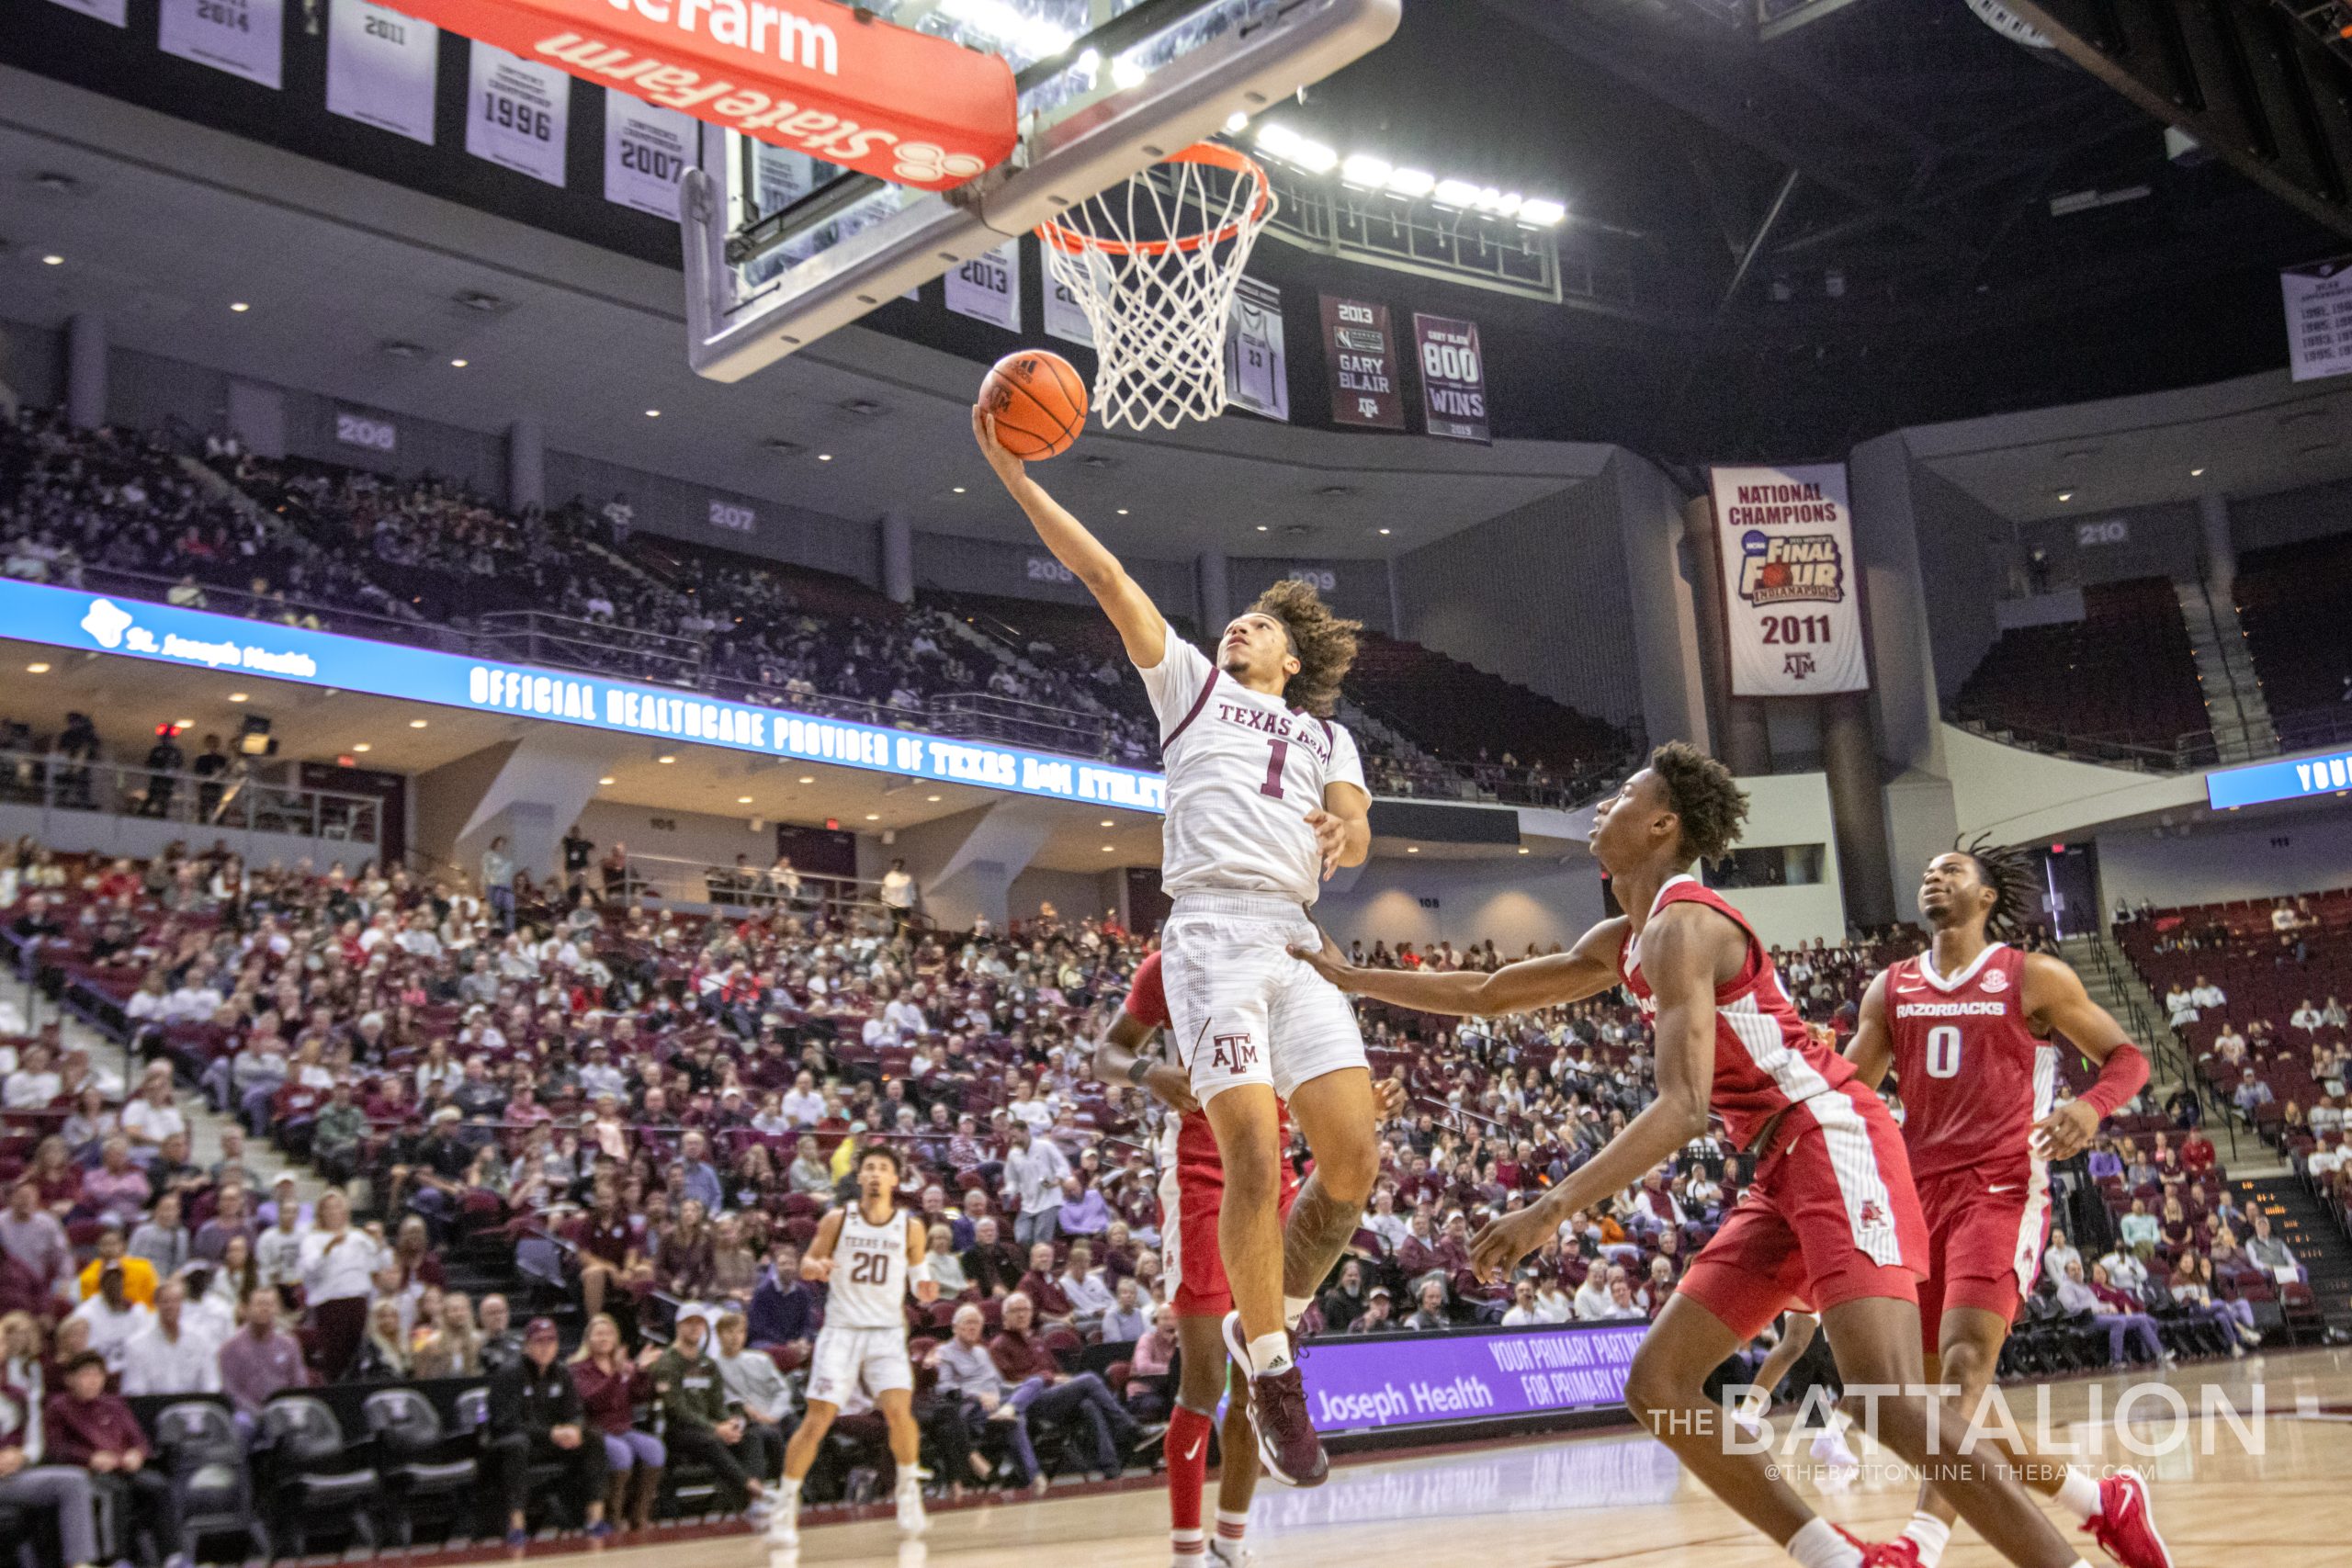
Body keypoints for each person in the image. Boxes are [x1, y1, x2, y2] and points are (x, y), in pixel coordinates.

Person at [1291, 743, 2101, 1568]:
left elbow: (1681, 1108)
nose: (1602, 807)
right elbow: (1494, 993)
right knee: (1660, 1385)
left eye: (1621, 796)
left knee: (1889, 1403)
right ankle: (1839, 1557)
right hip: (1782, 1166)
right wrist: (1353, 978)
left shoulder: (1687, 923)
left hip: (1833, 1138)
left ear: (1663, 825)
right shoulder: (1628, 935)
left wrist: (1550, 1207)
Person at [978, 403, 1377, 1488]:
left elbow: (1354, 816)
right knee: (1252, 1148)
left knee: (1351, 1161)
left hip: (1294, 938)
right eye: (1235, 621)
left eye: (1257, 626)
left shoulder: (1324, 732)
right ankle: (1275, 1367)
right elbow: (1109, 578)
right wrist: (1015, 478)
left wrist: (1348, 828)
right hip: (1206, 930)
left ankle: (1275, 1314)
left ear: (1294, 661)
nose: (1236, 629)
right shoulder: (1191, 687)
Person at [1841, 841, 2165, 1568]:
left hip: (2001, 1187)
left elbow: (2129, 1058)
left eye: (1951, 869)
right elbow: (1848, 1089)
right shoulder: (1889, 988)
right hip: (1917, 1196)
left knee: (1963, 1367)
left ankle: (1919, 1545)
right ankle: (2099, 1500)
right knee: (1944, 1412)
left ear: (1986, 897)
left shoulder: (2033, 976)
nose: (1933, 875)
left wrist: (2091, 1105)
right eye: (1926, 869)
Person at [1092, 949, 1406, 1567]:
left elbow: (1312, 1077)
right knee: (1205, 1377)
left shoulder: (1290, 965)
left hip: (1277, 1171)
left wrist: (1362, 1105)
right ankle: (1186, 1555)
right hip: (1198, 1173)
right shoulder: (1172, 961)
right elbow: (1107, 1052)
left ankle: (1229, 1546)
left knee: (1258, 1376)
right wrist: (1148, 1072)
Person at [770, 1145, 938, 1547]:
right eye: (870, 1168)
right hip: (842, 1330)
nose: (876, 1174)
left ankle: (908, 1490)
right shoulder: (837, 1219)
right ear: (859, 1178)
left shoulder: (910, 1227)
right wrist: (817, 1268)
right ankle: (785, 1504)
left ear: (895, 1180)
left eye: (884, 1168)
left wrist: (926, 1289)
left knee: (899, 1411)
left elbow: (920, 1277)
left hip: (885, 1332)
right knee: (818, 1418)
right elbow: (810, 1262)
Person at [46, 1350, 181, 1568]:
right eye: (85, 1375)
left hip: (124, 1467)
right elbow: (57, 1449)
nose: (92, 1381)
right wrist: (90, 1458)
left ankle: (172, 1555)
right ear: (70, 1379)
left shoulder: (115, 1405)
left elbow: (139, 1440)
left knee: (159, 1485)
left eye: (97, 1375)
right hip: (87, 1472)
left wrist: (137, 1454)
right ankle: (119, 1559)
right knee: (116, 1491)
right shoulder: (59, 1408)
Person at [485, 1317, 610, 1547]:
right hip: (512, 1444)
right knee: (517, 1444)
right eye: (539, 1342)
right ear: (527, 1345)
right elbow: (507, 1422)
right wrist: (551, 1433)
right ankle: (516, 1525)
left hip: (551, 1442)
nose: (545, 1347)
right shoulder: (509, 1373)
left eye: (550, 1341)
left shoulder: (561, 1372)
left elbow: (576, 1411)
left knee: (593, 1437)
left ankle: (595, 1518)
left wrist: (575, 1428)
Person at [651, 1313, 773, 1523]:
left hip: (709, 1427)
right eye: (689, 1323)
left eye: (699, 1323)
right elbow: (677, 1409)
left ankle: (753, 1503)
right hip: (678, 1431)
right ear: (678, 1325)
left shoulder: (708, 1363)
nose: (694, 1327)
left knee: (752, 1434)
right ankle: (751, 1487)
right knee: (710, 1439)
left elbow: (717, 1405)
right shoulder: (667, 1362)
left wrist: (730, 1423)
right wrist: (716, 1428)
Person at [569, 1314, 663, 1535]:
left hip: (623, 1427)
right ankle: (613, 1518)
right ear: (588, 1338)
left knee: (655, 1449)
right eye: (598, 1333)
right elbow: (592, 1400)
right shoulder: (578, 1368)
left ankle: (639, 1515)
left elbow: (640, 1396)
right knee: (621, 1453)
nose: (604, 1337)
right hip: (595, 1430)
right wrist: (616, 1376)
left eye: (609, 1333)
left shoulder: (624, 1365)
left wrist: (640, 1371)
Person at [0, 1375, 99, 1568]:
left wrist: (23, 1455)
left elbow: (35, 1443)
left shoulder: (17, 1394)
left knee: (74, 1480)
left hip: (14, 1475)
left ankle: (79, 1563)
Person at [712, 1311, 792, 1488]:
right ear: (718, 1335)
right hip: (745, 1420)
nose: (735, 1337)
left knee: (804, 1431)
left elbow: (782, 1391)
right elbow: (723, 1398)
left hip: (774, 1415)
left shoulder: (760, 1359)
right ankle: (762, 1491)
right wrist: (746, 1409)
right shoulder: (713, 1366)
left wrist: (773, 1415)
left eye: (739, 1332)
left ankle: (801, 1491)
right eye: (729, 1332)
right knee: (762, 1434)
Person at [216, 1284, 308, 1427]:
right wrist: (259, 1414)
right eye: (259, 1304)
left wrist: (286, 1411)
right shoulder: (229, 1348)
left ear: (276, 1308)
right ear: (247, 1309)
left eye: (269, 1304)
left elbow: (299, 1382)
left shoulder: (289, 1344)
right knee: (242, 1423)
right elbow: (230, 1391)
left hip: (284, 1411)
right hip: (247, 1415)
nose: (264, 1309)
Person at [120, 1279, 220, 1397]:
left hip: (193, 1410)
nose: (170, 1306)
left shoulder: (201, 1340)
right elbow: (135, 1391)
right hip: (153, 1410)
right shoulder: (136, 1345)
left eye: (175, 1301)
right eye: (165, 1301)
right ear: (156, 1304)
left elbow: (211, 1385)